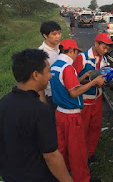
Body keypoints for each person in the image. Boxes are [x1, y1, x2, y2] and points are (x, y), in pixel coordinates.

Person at [0, 49, 73, 182]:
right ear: (36, 75)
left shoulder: (4, 102)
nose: (50, 75)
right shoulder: (41, 111)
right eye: (48, 71)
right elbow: (51, 156)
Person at [51, 39, 105, 182]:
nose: (76, 56)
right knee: (78, 152)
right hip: (71, 115)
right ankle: (82, 179)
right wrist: (94, 82)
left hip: (59, 112)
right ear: (71, 51)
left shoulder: (56, 65)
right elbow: (74, 92)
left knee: (62, 148)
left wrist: (83, 77)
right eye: (76, 52)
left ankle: (63, 173)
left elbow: (67, 84)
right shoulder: (68, 68)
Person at [73, 33, 113, 163]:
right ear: (96, 44)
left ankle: (90, 153)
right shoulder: (82, 58)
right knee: (83, 129)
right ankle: (80, 155)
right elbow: (74, 82)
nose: (106, 50)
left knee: (95, 127)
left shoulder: (104, 60)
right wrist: (93, 82)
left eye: (108, 48)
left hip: (97, 98)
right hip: (84, 100)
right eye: (104, 47)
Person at [38, 20, 62, 109]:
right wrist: (43, 101)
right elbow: (39, 80)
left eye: (59, 33)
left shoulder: (62, 47)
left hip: (64, 92)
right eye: (54, 34)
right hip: (51, 95)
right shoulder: (41, 53)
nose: (58, 36)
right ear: (45, 35)